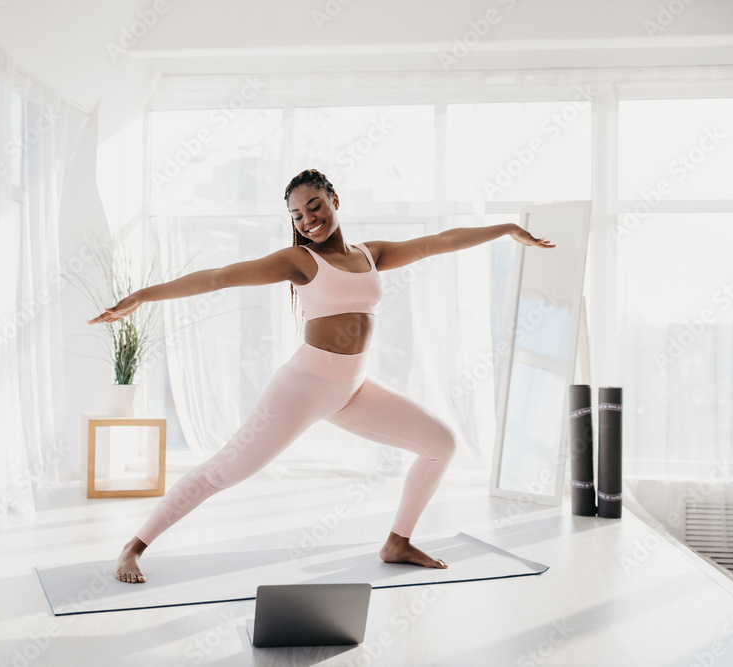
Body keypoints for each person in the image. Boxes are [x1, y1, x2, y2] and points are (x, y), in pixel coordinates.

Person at [88, 168, 555, 583]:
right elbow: (219, 277)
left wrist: (507, 229)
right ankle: (134, 546)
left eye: (315, 206)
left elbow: (439, 242)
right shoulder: (301, 262)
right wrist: (143, 296)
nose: (307, 219)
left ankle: (397, 542)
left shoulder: (371, 254)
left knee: (441, 444)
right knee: (225, 472)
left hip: (352, 389)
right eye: (297, 215)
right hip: (304, 387)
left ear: (335, 201)